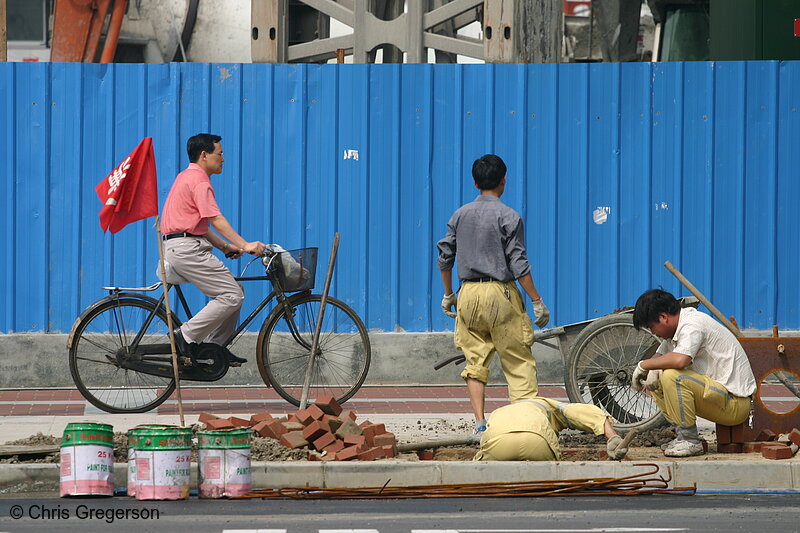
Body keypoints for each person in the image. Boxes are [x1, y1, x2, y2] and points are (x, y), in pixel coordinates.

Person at [437, 154, 550, 441]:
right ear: (503, 181)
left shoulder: (459, 215)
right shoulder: (510, 216)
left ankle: (479, 424)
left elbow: (444, 257)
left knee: (475, 360)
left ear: (475, 182)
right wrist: (536, 299)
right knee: (518, 359)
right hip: (500, 294)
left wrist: (449, 294)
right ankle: (525, 424)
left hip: (469, 294)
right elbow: (518, 264)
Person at [161, 133, 266, 365]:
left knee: (234, 287)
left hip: (181, 245)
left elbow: (199, 224)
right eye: (220, 154)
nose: (223, 159)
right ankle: (185, 336)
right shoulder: (199, 180)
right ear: (204, 155)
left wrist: (225, 247)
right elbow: (215, 219)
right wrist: (245, 244)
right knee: (232, 295)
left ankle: (213, 348)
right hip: (187, 249)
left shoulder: (185, 177)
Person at [631, 289, 756, 457]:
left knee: (672, 376)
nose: (654, 333)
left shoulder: (692, 324)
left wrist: (644, 365)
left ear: (663, 317)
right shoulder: (675, 331)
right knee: (658, 378)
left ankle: (690, 440)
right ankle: (682, 436)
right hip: (719, 399)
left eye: (652, 327)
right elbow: (660, 355)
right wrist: (650, 370)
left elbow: (681, 360)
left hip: (736, 404)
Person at [473, 398, 629, 461]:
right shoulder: (548, 405)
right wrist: (613, 437)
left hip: (498, 439)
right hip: (537, 439)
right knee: (550, 478)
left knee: (478, 473)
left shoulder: (500, 411)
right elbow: (584, 413)